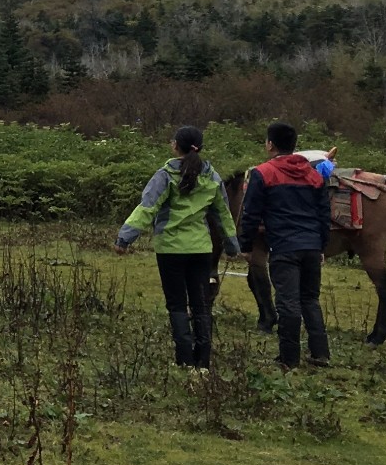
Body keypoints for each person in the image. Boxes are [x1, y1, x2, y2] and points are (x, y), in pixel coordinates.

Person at [114, 125, 240, 367]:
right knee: (200, 304)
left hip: (170, 250)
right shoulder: (212, 177)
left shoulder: (165, 176)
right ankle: (203, 360)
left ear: (175, 146)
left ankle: (184, 359)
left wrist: (125, 238)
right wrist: (232, 246)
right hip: (201, 250)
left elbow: (147, 208)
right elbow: (224, 214)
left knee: (177, 305)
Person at [239, 120, 332, 369]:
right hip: (312, 246)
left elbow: (250, 212)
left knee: (287, 302)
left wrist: (246, 245)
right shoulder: (314, 175)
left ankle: (289, 358)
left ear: (270, 144)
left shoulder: (263, 173)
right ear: (295, 146)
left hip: (284, 247)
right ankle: (320, 353)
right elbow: (324, 215)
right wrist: (322, 246)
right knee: (310, 299)